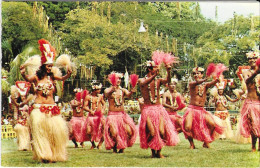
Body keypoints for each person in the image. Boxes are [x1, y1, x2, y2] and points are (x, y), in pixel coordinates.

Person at [20, 39, 72, 163]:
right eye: (48, 66)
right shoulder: (36, 77)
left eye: (51, 66)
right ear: (43, 66)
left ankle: (54, 154)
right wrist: (23, 73)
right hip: (39, 109)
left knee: (55, 133)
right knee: (41, 133)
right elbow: (27, 78)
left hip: (52, 108)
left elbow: (63, 78)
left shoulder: (52, 77)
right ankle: (44, 154)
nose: (50, 68)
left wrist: (68, 74)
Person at [138, 61, 179, 158]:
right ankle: (153, 152)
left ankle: (159, 152)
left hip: (159, 109)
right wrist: (154, 76)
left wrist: (169, 71)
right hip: (147, 109)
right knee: (152, 132)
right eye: (156, 67)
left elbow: (168, 81)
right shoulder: (141, 80)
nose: (158, 69)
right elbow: (144, 83)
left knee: (161, 131)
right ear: (149, 69)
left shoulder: (158, 80)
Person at [182, 67, 224, 149]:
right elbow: (197, 83)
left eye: (198, 73)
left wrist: (216, 80)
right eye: (195, 73)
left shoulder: (205, 85)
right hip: (192, 109)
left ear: (201, 74)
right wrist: (205, 79)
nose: (196, 75)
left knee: (212, 124)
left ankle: (206, 142)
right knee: (187, 127)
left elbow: (211, 83)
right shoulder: (191, 84)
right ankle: (191, 144)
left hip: (201, 110)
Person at [104, 72, 137, 153]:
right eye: (116, 79)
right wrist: (112, 90)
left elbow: (128, 95)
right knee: (114, 133)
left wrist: (132, 91)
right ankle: (115, 147)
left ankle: (122, 147)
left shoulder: (123, 90)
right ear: (111, 80)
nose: (118, 80)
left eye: (119, 79)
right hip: (112, 115)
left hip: (122, 115)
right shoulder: (108, 89)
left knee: (128, 131)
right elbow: (106, 94)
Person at [240, 51, 260, 152]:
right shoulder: (245, 72)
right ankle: (253, 146)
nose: (252, 60)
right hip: (251, 103)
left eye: (254, 58)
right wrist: (256, 73)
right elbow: (247, 81)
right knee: (253, 124)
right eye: (250, 59)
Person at [83, 83, 106, 149]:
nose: (99, 90)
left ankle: (100, 144)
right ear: (94, 90)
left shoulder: (100, 96)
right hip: (91, 117)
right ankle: (93, 144)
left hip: (100, 116)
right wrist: (90, 111)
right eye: (98, 89)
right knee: (88, 131)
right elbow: (84, 106)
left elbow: (104, 104)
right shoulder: (88, 97)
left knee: (104, 130)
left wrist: (103, 109)